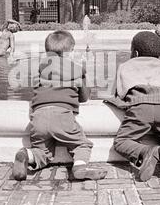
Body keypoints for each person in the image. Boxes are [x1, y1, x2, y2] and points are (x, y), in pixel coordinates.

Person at [12, 30, 107, 181]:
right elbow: (84, 97)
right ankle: (80, 167)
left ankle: (26, 155)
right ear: (69, 52)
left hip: (38, 118)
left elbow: (36, 92)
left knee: (43, 152)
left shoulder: (39, 69)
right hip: (63, 117)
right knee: (82, 144)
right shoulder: (76, 70)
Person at [107, 31, 160, 182]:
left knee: (121, 142)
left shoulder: (125, 66)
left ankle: (146, 152)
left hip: (139, 107)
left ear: (135, 52)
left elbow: (115, 93)